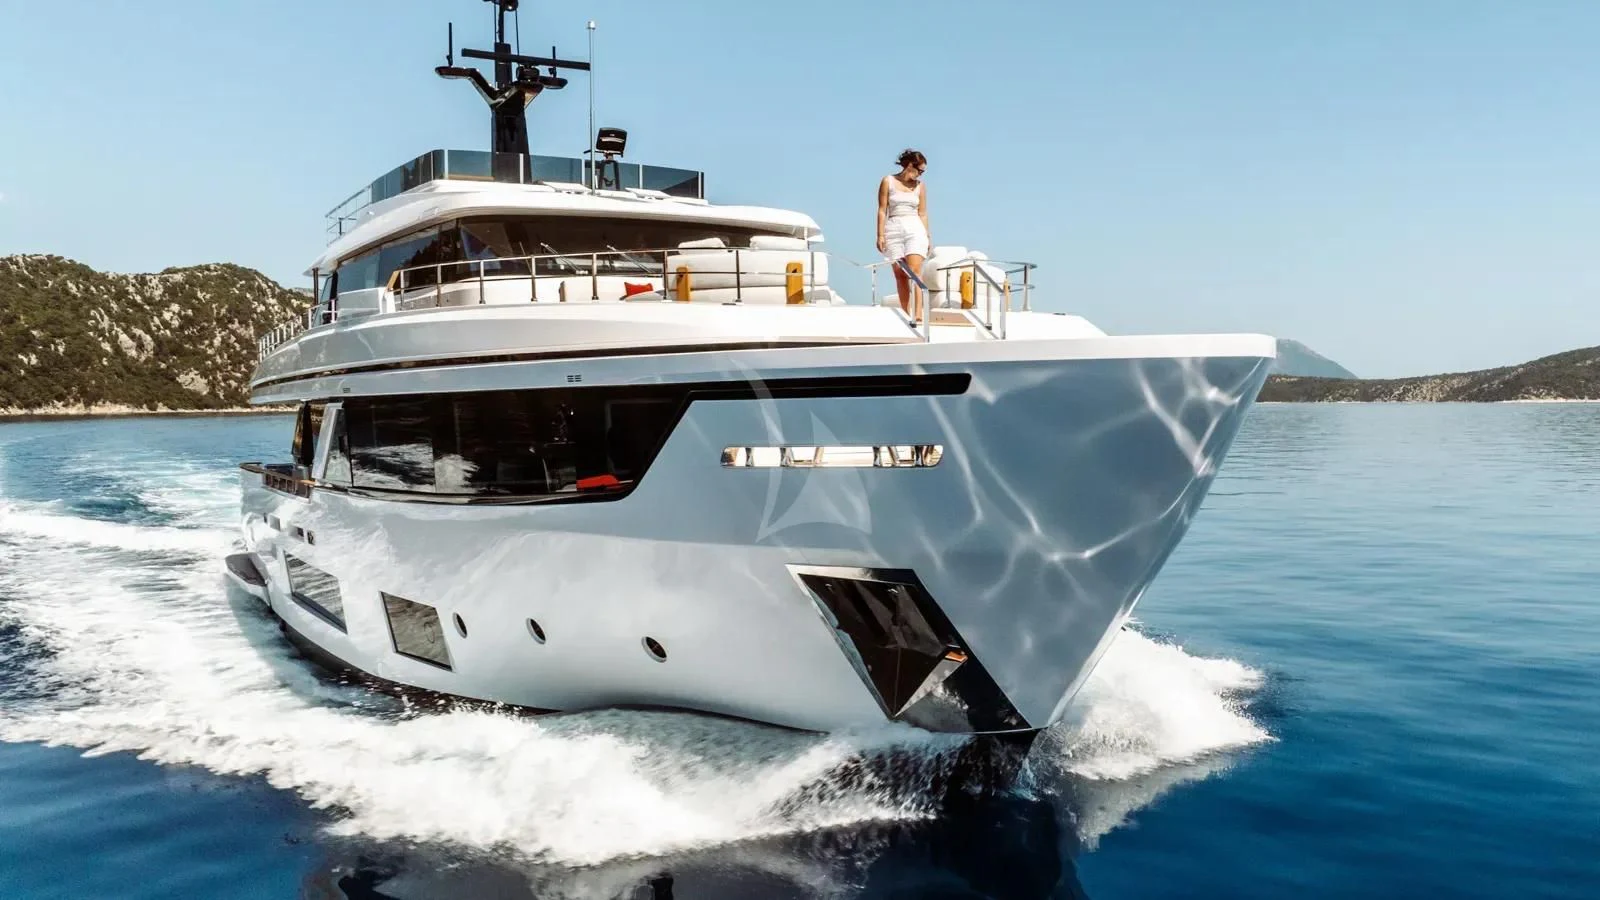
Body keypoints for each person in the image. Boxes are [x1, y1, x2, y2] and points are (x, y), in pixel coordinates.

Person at [876, 149, 931, 313]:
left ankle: (919, 314)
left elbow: (923, 213)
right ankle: (907, 313)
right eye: (919, 170)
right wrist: (879, 235)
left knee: (914, 271)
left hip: (914, 227)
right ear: (909, 165)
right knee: (899, 274)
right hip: (893, 226)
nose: (921, 174)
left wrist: (928, 236)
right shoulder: (888, 181)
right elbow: (881, 210)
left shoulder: (920, 186)